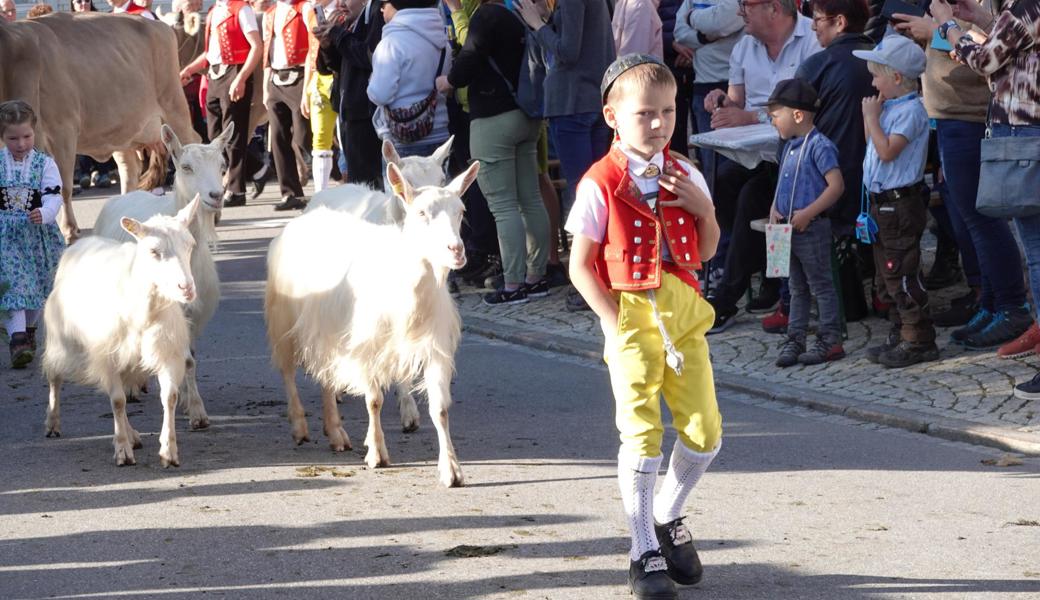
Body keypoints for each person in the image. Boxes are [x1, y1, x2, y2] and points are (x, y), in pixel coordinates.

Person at [567, 54, 722, 600]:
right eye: (644, 114)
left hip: (684, 311)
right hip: (631, 312)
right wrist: (613, 325)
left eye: (667, 112)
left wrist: (704, 209)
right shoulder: (599, 182)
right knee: (641, 433)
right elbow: (579, 266)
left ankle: (665, 513)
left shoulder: (686, 171)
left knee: (705, 430)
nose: (657, 124)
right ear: (613, 115)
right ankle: (642, 550)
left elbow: (703, 252)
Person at [894, 1, 1032, 351]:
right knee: (973, 219)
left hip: (982, 118)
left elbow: (988, 57)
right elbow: (1001, 35)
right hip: (959, 117)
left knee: (988, 221)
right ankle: (991, 302)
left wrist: (942, 28)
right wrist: (968, 20)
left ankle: (1012, 307)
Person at [929, 0, 1040, 396]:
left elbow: (984, 61)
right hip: (1025, 135)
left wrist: (946, 26)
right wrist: (980, 19)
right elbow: (1014, 45)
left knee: (1037, 253)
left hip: (1026, 135)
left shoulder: (1027, 4)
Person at [700, 0, 821, 333]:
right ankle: (767, 269)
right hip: (760, 154)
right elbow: (735, 100)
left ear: (773, 8)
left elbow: (810, 106)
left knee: (753, 199)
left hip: (803, 160)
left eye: (746, 5)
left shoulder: (811, 37)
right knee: (722, 184)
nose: (740, 12)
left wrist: (749, 116)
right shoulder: (744, 46)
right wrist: (721, 102)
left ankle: (726, 298)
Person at [438, 0, 550, 305]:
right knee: (530, 199)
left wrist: (447, 81)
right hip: (526, 115)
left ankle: (514, 284)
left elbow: (468, 62)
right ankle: (537, 276)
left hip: (493, 118)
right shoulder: (519, 13)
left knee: (503, 206)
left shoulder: (486, 15)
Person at [853, 35, 937, 368]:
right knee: (886, 274)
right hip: (880, 203)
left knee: (901, 270)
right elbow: (871, 146)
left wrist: (872, 119)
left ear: (897, 77)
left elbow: (888, 151)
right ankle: (900, 330)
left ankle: (918, 339)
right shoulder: (889, 107)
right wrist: (869, 118)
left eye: (877, 75)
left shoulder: (912, 111)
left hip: (900, 205)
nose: (872, 81)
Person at [765, 79, 846, 367]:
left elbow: (836, 186)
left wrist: (809, 212)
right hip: (788, 228)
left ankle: (830, 338)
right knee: (796, 287)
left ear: (797, 115)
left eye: (775, 116)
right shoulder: (788, 147)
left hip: (810, 228)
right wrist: (775, 207)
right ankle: (795, 338)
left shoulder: (819, 146)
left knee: (821, 285)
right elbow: (784, 185)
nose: (772, 122)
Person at [0, 101, 66, 369]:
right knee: (13, 283)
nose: (21, 143)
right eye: (12, 138)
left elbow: (54, 195)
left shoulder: (44, 163)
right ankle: (16, 339)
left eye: (26, 136)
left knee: (39, 285)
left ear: (34, 133)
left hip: (37, 234)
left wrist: (46, 212)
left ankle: (28, 329)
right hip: (6, 236)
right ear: (3, 137)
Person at [180, 0, 264, 207]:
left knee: (233, 133)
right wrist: (190, 69)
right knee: (214, 136)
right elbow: (210, 53)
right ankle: (256, 168)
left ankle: (236, 190)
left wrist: (241, 78)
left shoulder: (241, 9)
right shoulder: (214, 11)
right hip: (215, 74)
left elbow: (256, 46)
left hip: (234, 71)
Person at [673, 0, 744, 187]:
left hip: (734, 85)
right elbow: (679, 33)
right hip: (702, 86)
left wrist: (692, 17)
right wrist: (703, 38)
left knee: (733, 166)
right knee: (709, 165)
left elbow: (725, 20)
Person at [368, 0, 452, 158]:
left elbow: (380, 94)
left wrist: (372, 79)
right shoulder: (442, 41)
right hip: (440, 134)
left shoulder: (390, 43)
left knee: (402, 184)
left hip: (403, 140)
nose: (381, 9)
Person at [262, 0, 318, 211]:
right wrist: (266, 86)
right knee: (278, 137)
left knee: (304, 136)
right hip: (276, 77)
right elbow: (268, 51)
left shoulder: (304, 8)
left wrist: (306, 90)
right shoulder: (270, 13)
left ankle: (338, 173)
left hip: (300, 76)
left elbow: (312, 49)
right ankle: (290, 192)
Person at [305, 0, 339, 193]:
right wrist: (305, 91)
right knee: (319, 138)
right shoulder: (311, 13)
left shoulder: (346, 9)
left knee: (345, 137)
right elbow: (310, 54)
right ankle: (321, 193)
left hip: (341, 78)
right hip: (319, 80)